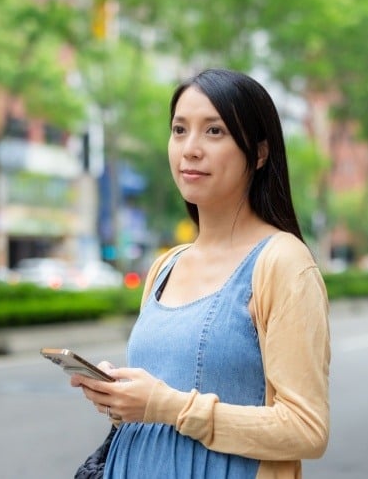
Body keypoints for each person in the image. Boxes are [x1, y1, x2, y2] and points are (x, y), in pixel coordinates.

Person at [71, 68, 330, 479]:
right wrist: (121, 400)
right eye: (179, 130)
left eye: (214, 132)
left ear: (259, 153)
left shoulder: (283, 262)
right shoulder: (165, 266)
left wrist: (166, 406)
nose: (190, 148)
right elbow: (158, 405)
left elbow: (307, 429)